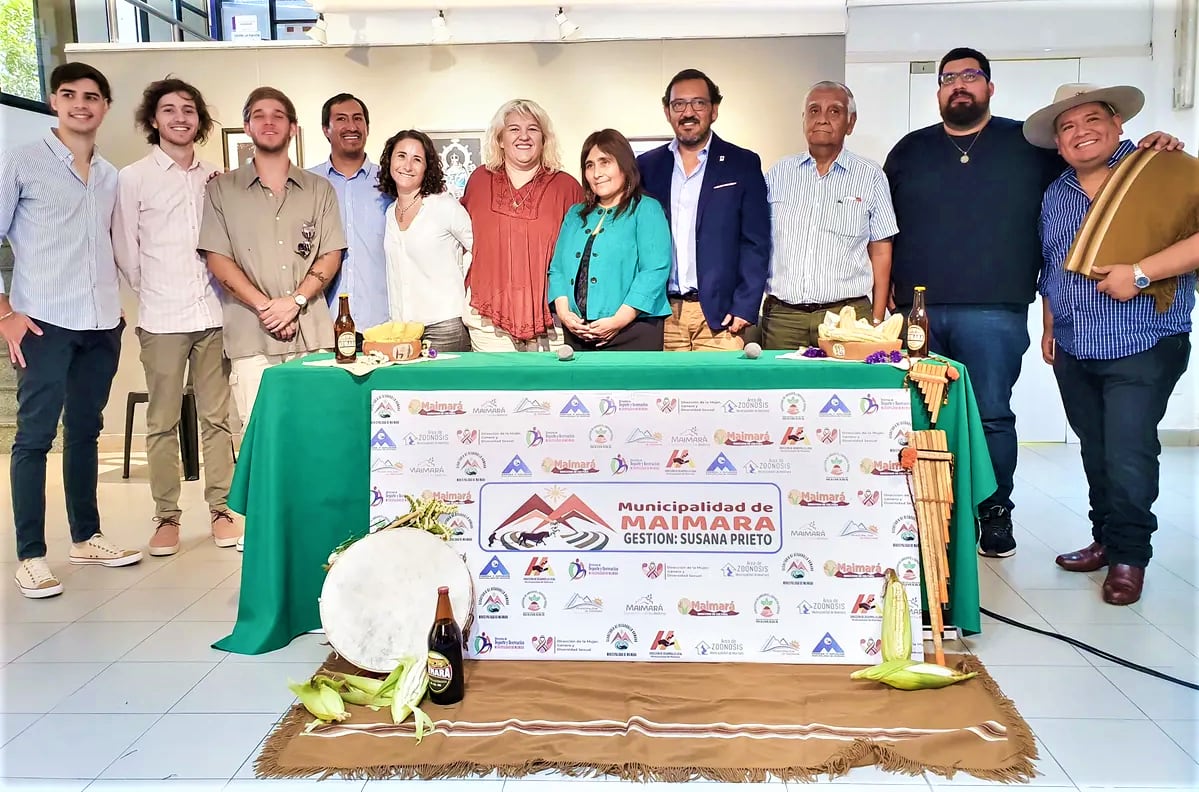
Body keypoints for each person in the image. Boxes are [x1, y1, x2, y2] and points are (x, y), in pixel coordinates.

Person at [884, 47, 1182, 559]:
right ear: (938, 90)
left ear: (990, 87)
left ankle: (995, 513)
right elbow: (882, 232)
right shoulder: (908, 151)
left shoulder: (1030, 147)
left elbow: (1103, 171)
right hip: (919, 314)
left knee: (992, 416)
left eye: (971, 76)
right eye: (948, 77)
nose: (959, 85)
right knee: (920, 417)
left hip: (996, 311)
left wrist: (1156, 145)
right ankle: (924, 514)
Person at [1027, 83, 1196, 605]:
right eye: (1068, 126)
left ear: (1117, 123)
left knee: (1128, 451)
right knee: (1096, 450)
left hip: (1144, 341)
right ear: (1058, 144)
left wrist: (1141, 273)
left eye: (1092, 120)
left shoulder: (1161, 167)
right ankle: (1106, 538)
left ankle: (1129, 556)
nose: (1081, 132)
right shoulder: (1055, 193)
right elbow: (1053, 268)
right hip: (1076, 346)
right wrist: (1051, 325)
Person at [0, 63, 143, 598]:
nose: (81, 104)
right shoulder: (21, 163)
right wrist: (4, 313)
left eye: (91, 97)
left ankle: (86, 536)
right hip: (42, 322)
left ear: (105, 107)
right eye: (69, 95)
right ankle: (31, 554)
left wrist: (117, 311)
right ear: (55, 102)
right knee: (34, 437)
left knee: (85, 432)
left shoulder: (109, 175)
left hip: (101, 324)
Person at [199, 87, 345, 548]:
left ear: (293, 128)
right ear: (247, 127)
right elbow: (217, 258)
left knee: (314, 434)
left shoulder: (319, 189)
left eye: (278, 116)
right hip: (250, 333)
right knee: (260, 438)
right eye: (258, 116)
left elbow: (331, 251)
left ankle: (315, 525)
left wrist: (296, 302)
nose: (268, 122)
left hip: (312, 333)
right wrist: (266, 305)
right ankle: (264, 527)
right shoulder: (222, 190)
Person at [113, 77, 241, 557]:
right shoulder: (134, 178)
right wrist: (154, 294)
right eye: (169, 110)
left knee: (216, 418)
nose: (180, 118)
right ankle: (166, 517)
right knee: (163, 421)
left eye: (188, 109)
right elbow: (126, 249)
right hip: (162, 316)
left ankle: (222, 510)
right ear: (154, 120)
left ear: (199, 120)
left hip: (212, 312)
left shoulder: (216, 176)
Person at [637, 68, 770, 352]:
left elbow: (755, 242)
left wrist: (746, 305)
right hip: (662, 314)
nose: (688, 112)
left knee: (722, 396)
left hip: (720, 317)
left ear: (714, 110)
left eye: (698, 103)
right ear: (667, 111)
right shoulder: (647, 167)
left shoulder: (742, 164)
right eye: (678, 104)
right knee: (663, 396)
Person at [762, 81, 897, 349]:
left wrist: (878, 320)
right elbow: (759, 244)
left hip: (847, 319)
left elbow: (881, 251)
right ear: (803, 119)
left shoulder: (870, 177)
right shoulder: (778, 174)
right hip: (783, 320)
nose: (822, 119)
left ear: (851, 122)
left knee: (848, 391)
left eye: (834, 111)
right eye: (814, 111)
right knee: (782, 390)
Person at [461, 99, 583, 351]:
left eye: (533, 129)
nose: (523, 136)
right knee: (495, 390)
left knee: (549, 391)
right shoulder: (479, 181)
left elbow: (583, 254)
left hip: (552, 321)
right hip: (488, 320)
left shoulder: (567, 187)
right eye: (514, 129)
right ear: (500, 139)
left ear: (544, 139)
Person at [548, 129, 672, 351]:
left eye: (605, 162)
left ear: (624, 165)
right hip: (578, 333)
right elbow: (557, 269)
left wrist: (618, 321)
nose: (596, 173)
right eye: (589, 165)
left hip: (633, 331)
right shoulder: (575, 215)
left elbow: (654, 270)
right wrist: (565, 314)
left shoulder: (646, 209)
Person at [378, 129, 473, 352]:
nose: (407, 166)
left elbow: (480, 250)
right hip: (402, 330)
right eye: (401, 156)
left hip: (445, 326)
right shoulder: (390, 212)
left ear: (427, 168)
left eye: (417, 159)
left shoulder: (444, 206)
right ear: (389, 160)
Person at [310, 93, 390, 335]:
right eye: (341, 119)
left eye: (358, 119)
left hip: (383, 323)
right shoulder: (307, 184)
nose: (352, 126)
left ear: (367, 127)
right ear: (326, 129)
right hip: (322, 323)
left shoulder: (390, 182)